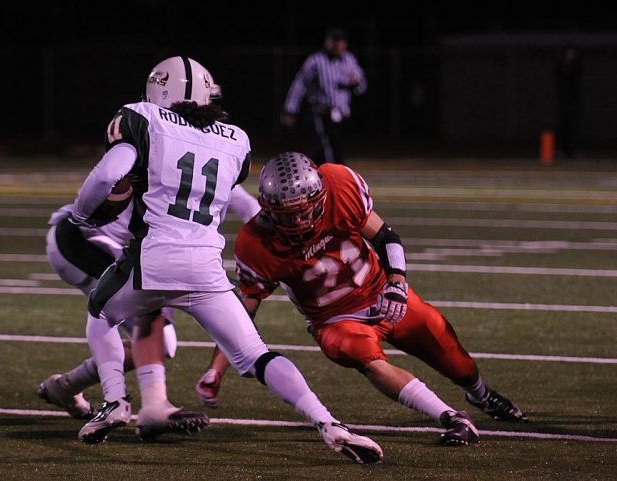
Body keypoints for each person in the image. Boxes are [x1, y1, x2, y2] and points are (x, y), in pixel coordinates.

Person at [69, 56, 384, 464]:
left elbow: (108, 171)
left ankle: (115, 401)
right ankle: (329, 423)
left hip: (155, 258)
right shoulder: (234, 138)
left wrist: (83, 213)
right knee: (257, 355)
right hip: (206, 266)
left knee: (99, 311)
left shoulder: (143, 119)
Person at [195, 151, 529, 447]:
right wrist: (217, 370)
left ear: (319, 197)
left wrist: (397, 280)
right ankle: (451, 417)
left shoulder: (339, 185)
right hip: (335, 321)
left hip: (381, 293)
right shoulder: (256, 243)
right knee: (362, 355)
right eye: (286, 216)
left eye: (303, 212)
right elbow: (241, 315)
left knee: (449, 349)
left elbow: (385, 236)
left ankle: (481, 395)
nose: (297, 222)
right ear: (269, 211)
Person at [37, 183, 260, 421]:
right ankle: (150, 409)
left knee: (160, 340)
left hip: (139, 252)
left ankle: (66, 387)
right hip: (85, 243)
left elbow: (250, 208)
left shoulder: (208, 161)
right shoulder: (161, 157)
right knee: (154, 330)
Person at [280, 27, 367, 166]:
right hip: (320, 111)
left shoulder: (349, 59)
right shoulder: (316, 60)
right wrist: (290, 109)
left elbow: (361, 85)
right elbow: (299, 84)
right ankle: (329, 177)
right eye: (335, 41)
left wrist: (355, 83)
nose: (338, 45)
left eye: (341, 42)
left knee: (336, 147)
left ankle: (329, 175)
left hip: (342, 113)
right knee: (324, 146)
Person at [554, 45, 583, 159]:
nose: (570, 56)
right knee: (562, 126)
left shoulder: (576, 66)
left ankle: (572, 151)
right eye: (568, 53)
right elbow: (557, 72)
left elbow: (579, 72)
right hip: (562, 101)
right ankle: (561, 150)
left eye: (572, 54)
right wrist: (564, 64)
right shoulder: (560, 66)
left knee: (574, 127)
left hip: (573, 101)